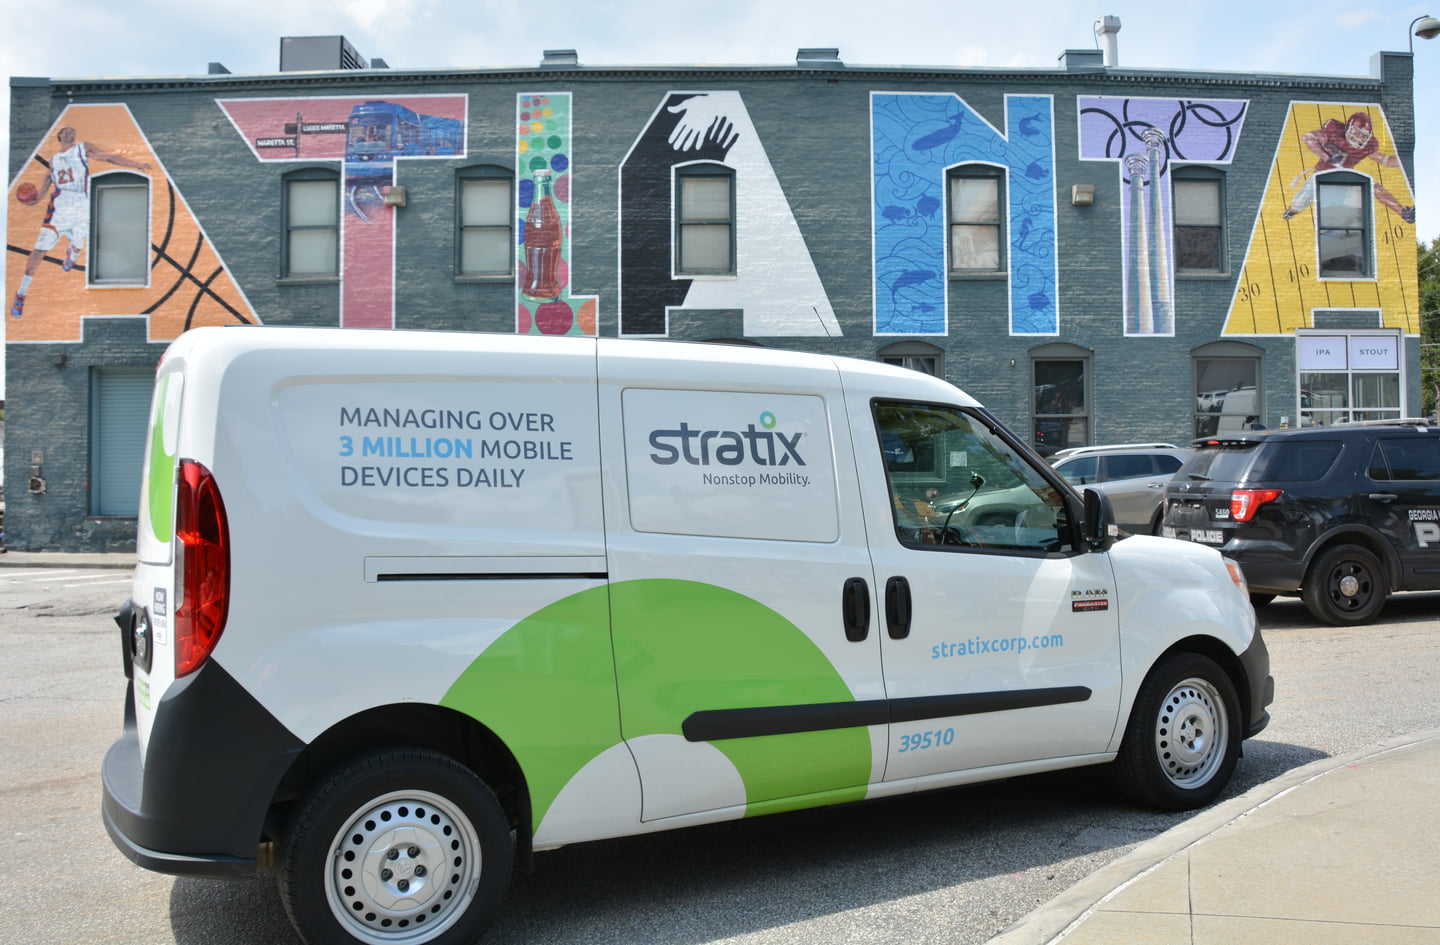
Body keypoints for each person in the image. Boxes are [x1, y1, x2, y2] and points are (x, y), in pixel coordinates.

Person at [10, 126, 152, 318]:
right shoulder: (54, 160)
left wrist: (136, 164)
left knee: (78, 243)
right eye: (66, 130)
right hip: (60, 207)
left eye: (72, 131)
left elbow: (109, 156)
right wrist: (30, 200)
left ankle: (73, 253)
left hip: (81, 205)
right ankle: (21, 294)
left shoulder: (83, 148)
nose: (70, 132)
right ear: (59, 136)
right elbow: (43, 189)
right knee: (38, 251)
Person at [1282, 112, 1414, 223]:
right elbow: (1308, 138)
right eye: (1356, 132)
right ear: (1348, 128)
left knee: (1374, 187)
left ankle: (1403, 212)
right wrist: (1327, 157)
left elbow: (1385, 160)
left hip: (1345, 174)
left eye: (1363, 135)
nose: (1359, 137)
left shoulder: (1368, 146)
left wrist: (1403, 161)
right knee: (1300, 201)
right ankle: (1291, 212)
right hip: (1322, 173)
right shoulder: (1334, 131)